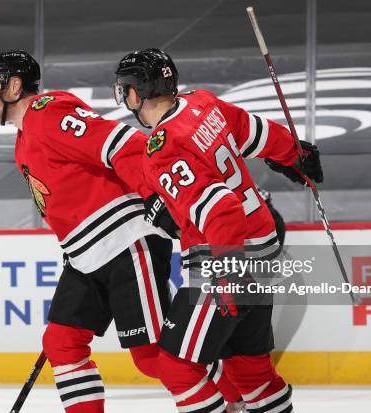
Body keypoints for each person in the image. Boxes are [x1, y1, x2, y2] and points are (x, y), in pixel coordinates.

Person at [114, 48, 323, 413]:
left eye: (125, 90)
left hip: (226, 264)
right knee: (250, 371)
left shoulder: (162, 148)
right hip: (263, 253)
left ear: (136, 93)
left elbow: (222, 209)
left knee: (176, 366)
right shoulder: (203, 103)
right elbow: (252, 130)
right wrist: (293, 153)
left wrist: (225, 276)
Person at [0, 50, 176, 413]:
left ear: (14, 85)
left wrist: (155, 196)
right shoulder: (23, 139)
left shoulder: (47, 112)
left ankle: (233, 393)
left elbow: (123, 144)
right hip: (88, 255)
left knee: (152, 355)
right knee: (62, 343)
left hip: (125, 241)